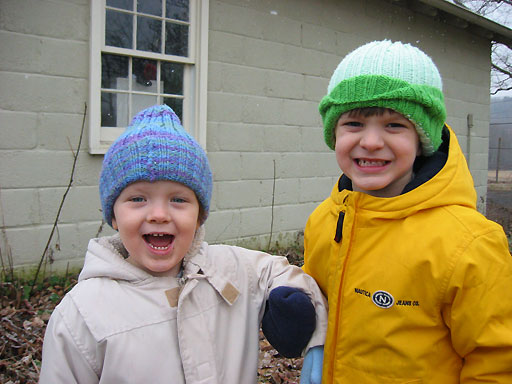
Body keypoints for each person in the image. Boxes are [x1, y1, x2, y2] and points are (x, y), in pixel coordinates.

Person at [39, 104, 327, 383]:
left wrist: (295, 302)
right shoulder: (82, 313)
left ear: (199, 216)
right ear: (113, 216)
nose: (159, 215)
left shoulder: (229, 270)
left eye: (178, 199)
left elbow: (275, 271)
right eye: (138, 199)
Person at [302, 40, 512, 383]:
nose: (370, 141)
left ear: (422, 139)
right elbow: (316, 305)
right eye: (353, 123)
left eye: (394, 125)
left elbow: (498, 362)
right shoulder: (326, 220)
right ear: (333, 133)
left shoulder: (469, 244)